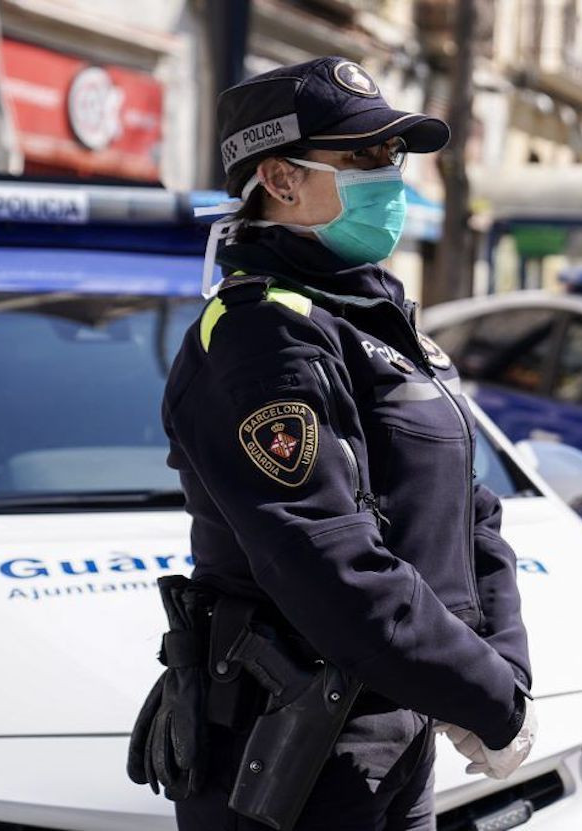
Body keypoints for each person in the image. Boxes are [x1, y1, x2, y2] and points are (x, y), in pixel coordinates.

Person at [130, 57, 534, 831]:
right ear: (280, 179)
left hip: (399, 726)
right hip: (297, 752)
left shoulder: (370, 319)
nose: (392, 176)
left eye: (394, 155)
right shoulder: (261, 339)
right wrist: (483, 695)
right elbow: (329, 561)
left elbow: (469, 509)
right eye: (364, 158)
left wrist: (499, 675)